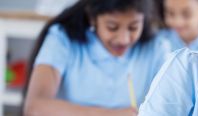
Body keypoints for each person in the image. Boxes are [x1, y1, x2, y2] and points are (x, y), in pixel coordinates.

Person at [24, 0, 166, 115]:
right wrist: (110, 114)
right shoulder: (62, 39)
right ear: (93, 18)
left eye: (133, 27)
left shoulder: (157, 48)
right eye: (112, 27)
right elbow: (35, 107)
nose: (123, 39)